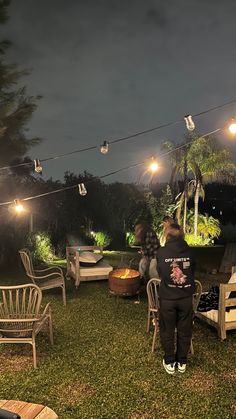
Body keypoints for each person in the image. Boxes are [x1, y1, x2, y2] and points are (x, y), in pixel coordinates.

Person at [156, 223, 195, 375]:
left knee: (167, 329)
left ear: (167, 235)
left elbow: (160, 272)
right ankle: (182, 362)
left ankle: (170, 361)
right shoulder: (190, 251)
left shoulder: (161, 252)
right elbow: (193, 271)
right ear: (182, 235)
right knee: (185, 329)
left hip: (168, 298)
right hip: (185, 297)